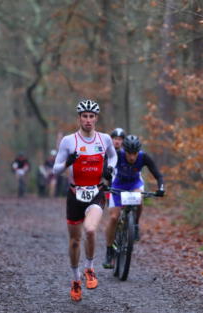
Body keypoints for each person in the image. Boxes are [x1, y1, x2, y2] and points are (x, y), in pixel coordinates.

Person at [53, 100, 117, 301]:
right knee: (74, 242)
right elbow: (55, 169)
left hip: (96, 192)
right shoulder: (69, 141)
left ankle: (89, 269)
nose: (88, 120)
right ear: (79, 118)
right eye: (84, 116)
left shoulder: (104, 139)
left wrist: (110, 170)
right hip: (75, 194)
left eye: (91, 116)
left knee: (90, 230)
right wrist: (66, 163)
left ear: (96, 118)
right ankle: (75, 280)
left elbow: (113, 157)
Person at [102, 135, 165, 269]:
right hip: (118, 184)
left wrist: (161, 188)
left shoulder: (144, 157)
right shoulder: (118, 154)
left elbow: (158, 174)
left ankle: (135, 224)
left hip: (135, 183)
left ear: (138, 152)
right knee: (113, 218)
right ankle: (109, 252)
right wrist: (104, 177)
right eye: (129, 153)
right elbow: (105, 167)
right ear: (124, 151)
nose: (132, 157)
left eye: (134, 153)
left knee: (139, 197)